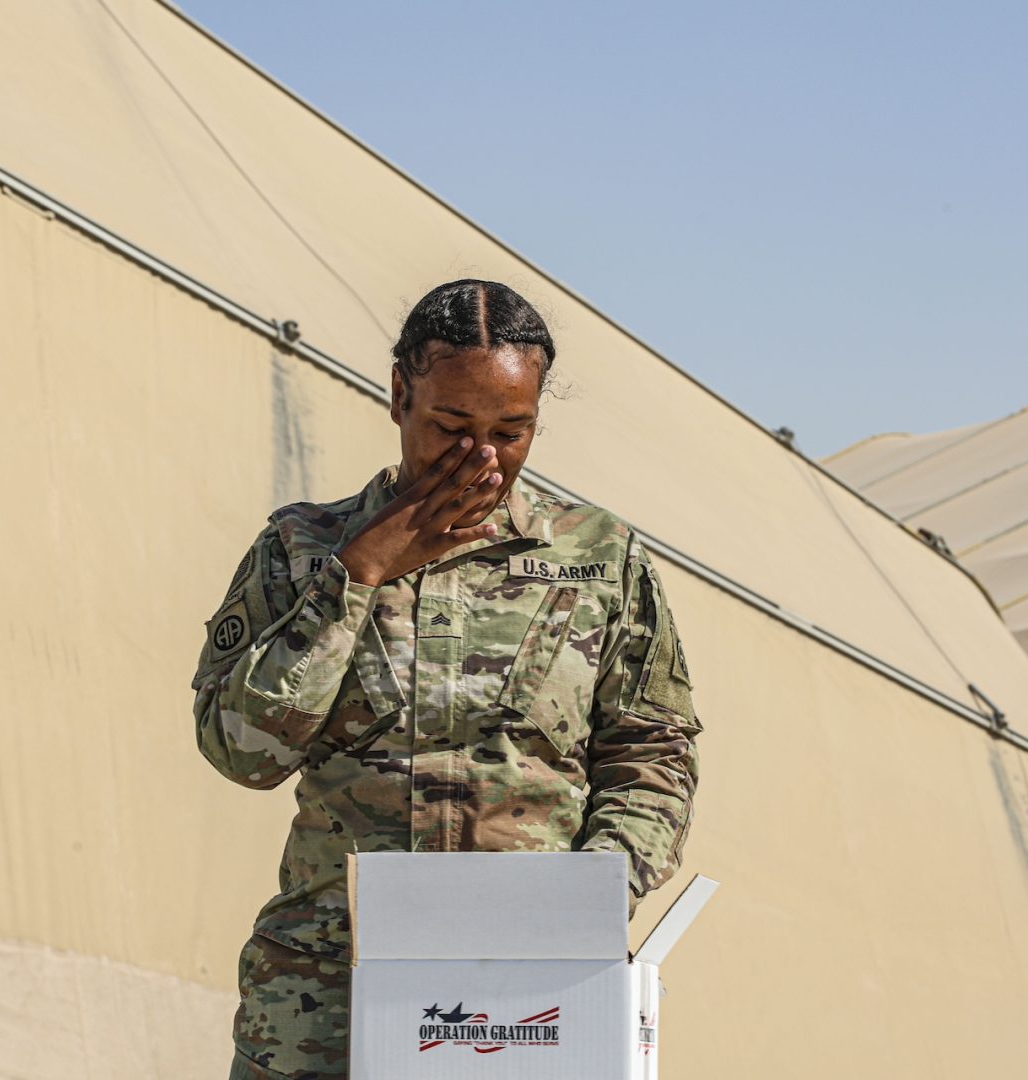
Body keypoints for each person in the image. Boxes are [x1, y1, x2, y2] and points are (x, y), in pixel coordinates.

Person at [193, 279, 701, 1080]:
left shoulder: (598, 560)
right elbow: (242, 752)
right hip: (328, 1000)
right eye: (452, 426)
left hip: (529, 998)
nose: (483, 457)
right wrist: (357, 574)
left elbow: (653, 752)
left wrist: (594, 894)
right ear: (400, 394)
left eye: (512, 430)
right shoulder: (301, 549)